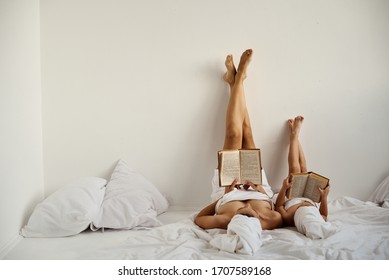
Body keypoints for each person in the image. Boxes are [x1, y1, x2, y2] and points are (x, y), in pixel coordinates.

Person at [194, 49, 283, 231]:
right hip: (256, 186)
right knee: (247, 132)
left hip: (227, 187)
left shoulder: (224, 220)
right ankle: (235, 81)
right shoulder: (270, 220)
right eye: (250, 213)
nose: (247, 208)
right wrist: (260, 191)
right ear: (258, 220)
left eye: (242, 212)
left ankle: (238, 78)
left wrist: (223, 197)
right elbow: (278, 207)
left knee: (233, 134)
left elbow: (199, 218)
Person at [274, 116, 337, 239]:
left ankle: (294, 135)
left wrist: (283, 188)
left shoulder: (290, 218)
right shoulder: (320, 218)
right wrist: (324, 196)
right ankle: (295, 137)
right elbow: (324, 214)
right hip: (309, 197)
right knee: (304, 168)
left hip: (294, 195)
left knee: (295, 170)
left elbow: (279, 206)